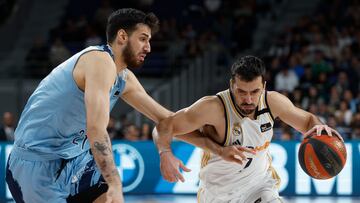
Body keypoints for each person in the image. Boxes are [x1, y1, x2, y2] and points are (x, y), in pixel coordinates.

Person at [5, 8, 242, 203]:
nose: (148, 48)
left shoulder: (123, 77)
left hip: (74, 158)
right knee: (113, 191)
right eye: (143, 39)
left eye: (149, 41)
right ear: (122, 37)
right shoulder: (98, 61)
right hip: (36, 163)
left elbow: (167, 120)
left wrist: (217, 149)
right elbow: (96, 130)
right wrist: (116, 182)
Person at [154, 55, 344, 203]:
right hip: (217, 193)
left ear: (264, 86)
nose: (249, 99)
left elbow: (309, 120)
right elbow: (163, 126)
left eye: (255, 92)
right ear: (231, 85)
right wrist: (165, 152)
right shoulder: (213, 107)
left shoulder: (273, 102)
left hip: (259, 185)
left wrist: (319, 127)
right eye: (242, 92)